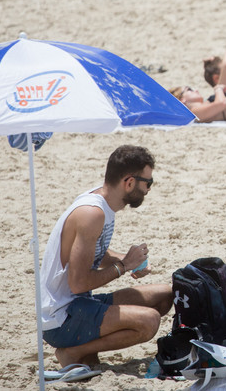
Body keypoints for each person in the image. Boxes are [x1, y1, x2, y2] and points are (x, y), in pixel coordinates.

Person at [39, 145, 172, 368]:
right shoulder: (93, 214)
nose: (149, 189)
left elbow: (93, 253)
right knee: (150, 321)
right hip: (61, 318)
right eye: (148, 183)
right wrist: (122, 266)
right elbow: (79, 283)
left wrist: (129, 263)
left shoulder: (101, 201)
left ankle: (87, 349)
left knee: (165, 294)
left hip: (80, 304)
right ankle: (73, 352)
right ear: (129, 182)